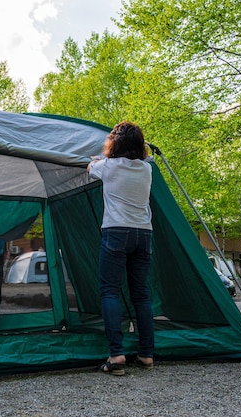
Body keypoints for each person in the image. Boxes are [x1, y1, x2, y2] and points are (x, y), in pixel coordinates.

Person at [87, 121, 155, 376]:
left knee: (110, 292)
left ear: (114, 144)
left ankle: (116, 355)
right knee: (141, 295)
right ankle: (147, 354)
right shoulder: (147, 170)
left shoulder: (109, 167)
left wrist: (96, 159)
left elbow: (90, 168)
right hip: (144, 233)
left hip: (116, 231)